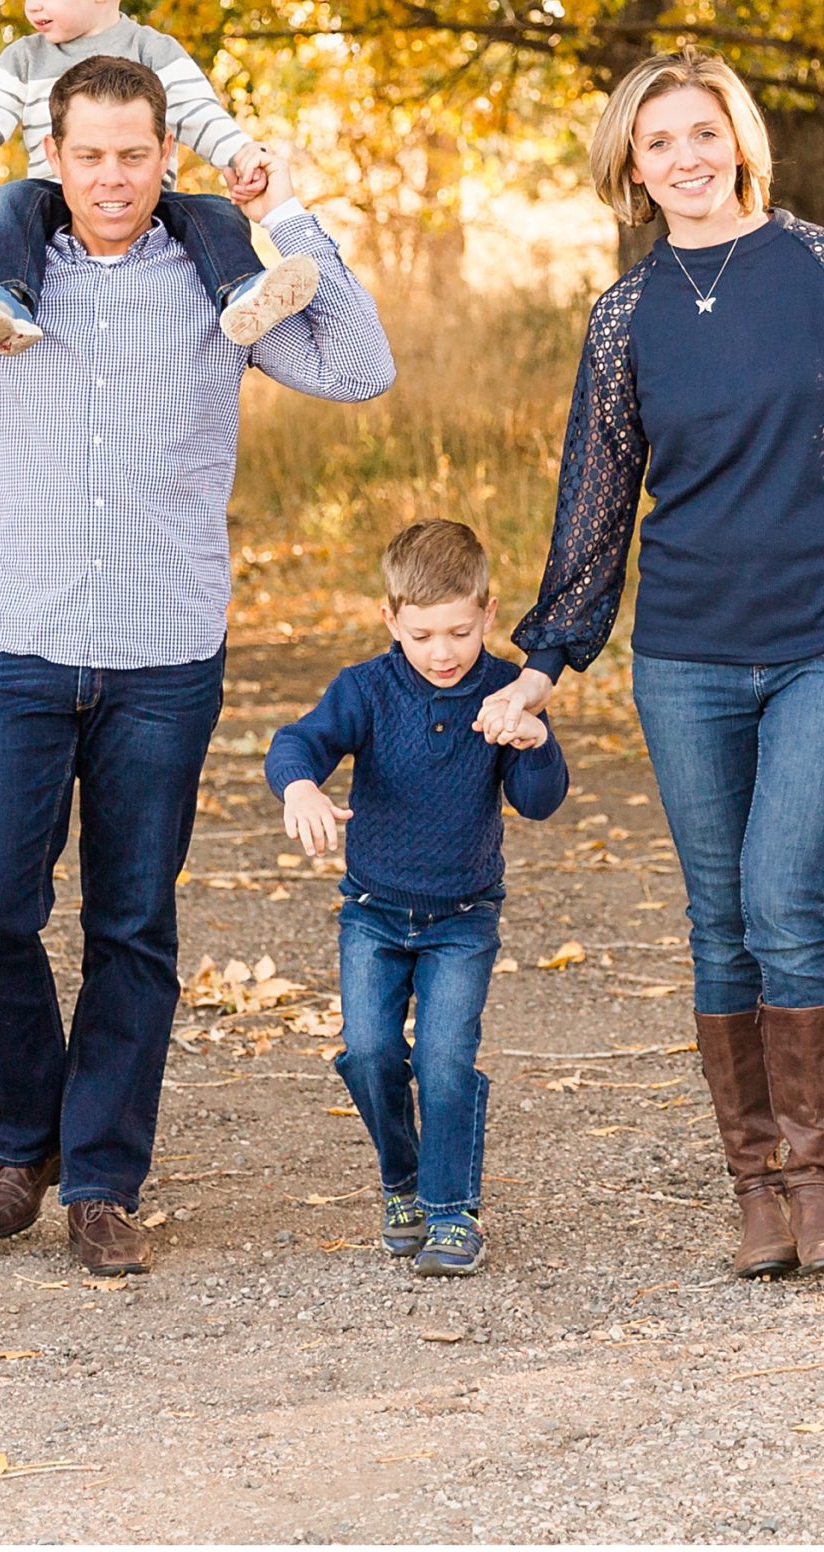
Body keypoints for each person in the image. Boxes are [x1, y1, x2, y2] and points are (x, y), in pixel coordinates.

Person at [0, 54, 395, 1275]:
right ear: (54, 160)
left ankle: (103, 1178)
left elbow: (359, 367)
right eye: (91, 156)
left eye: (135, 154)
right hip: (17, 645)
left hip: (164, 658)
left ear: (165, 155)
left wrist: (286, 211)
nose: (114, 177)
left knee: (132, 922)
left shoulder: (221, 282)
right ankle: (26, 1142)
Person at [479, 46, 824, 1280]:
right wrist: (547, 659)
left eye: (702, 132)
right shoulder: (625, 316)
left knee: (782, 891)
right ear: (630, 164)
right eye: (657, 140)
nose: (684, 157)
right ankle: (757, 1191)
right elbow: (596, 502)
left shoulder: (823, 265)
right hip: (686, 649)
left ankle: (820, 1185)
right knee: (716, 918)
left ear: (738, 140)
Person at [265, 520, 568, 1277]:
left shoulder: (504, 693)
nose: (443, 652)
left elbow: (538, 802)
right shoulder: (366, 689)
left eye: (460, 632)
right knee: (369, 1052)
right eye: (424, 633)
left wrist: (533, 740)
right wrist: (299, 784)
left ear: (487, 614)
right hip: (371, 911)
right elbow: (297, 743)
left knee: (443, 1058)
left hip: (462, 919)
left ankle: (450, 1210)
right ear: (390, 619)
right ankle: (401, 1178)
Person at [0, 0, 316, 355]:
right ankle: (6, 300)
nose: (32, 5)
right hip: (53, 195)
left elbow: (198, 112)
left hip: (145, 200)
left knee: (215, 210)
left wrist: (240, 154)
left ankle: (244, 292)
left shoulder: (151, 50)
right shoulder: (25, 57)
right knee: (9, 200)